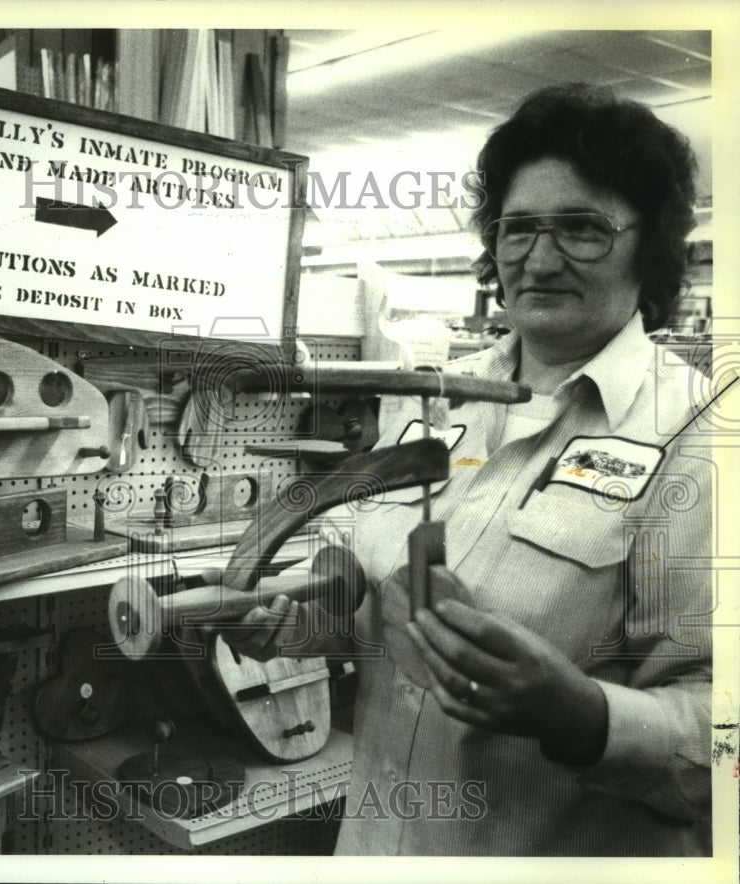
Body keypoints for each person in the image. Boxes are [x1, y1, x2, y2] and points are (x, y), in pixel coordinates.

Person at [225, 83, 712, 856]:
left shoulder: (701, 436)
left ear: (648, 246)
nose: (540, 258)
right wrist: (297, 618)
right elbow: (374, 605)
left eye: (582, 228)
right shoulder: (433, 397)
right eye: (518, 229)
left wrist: (581, 716)